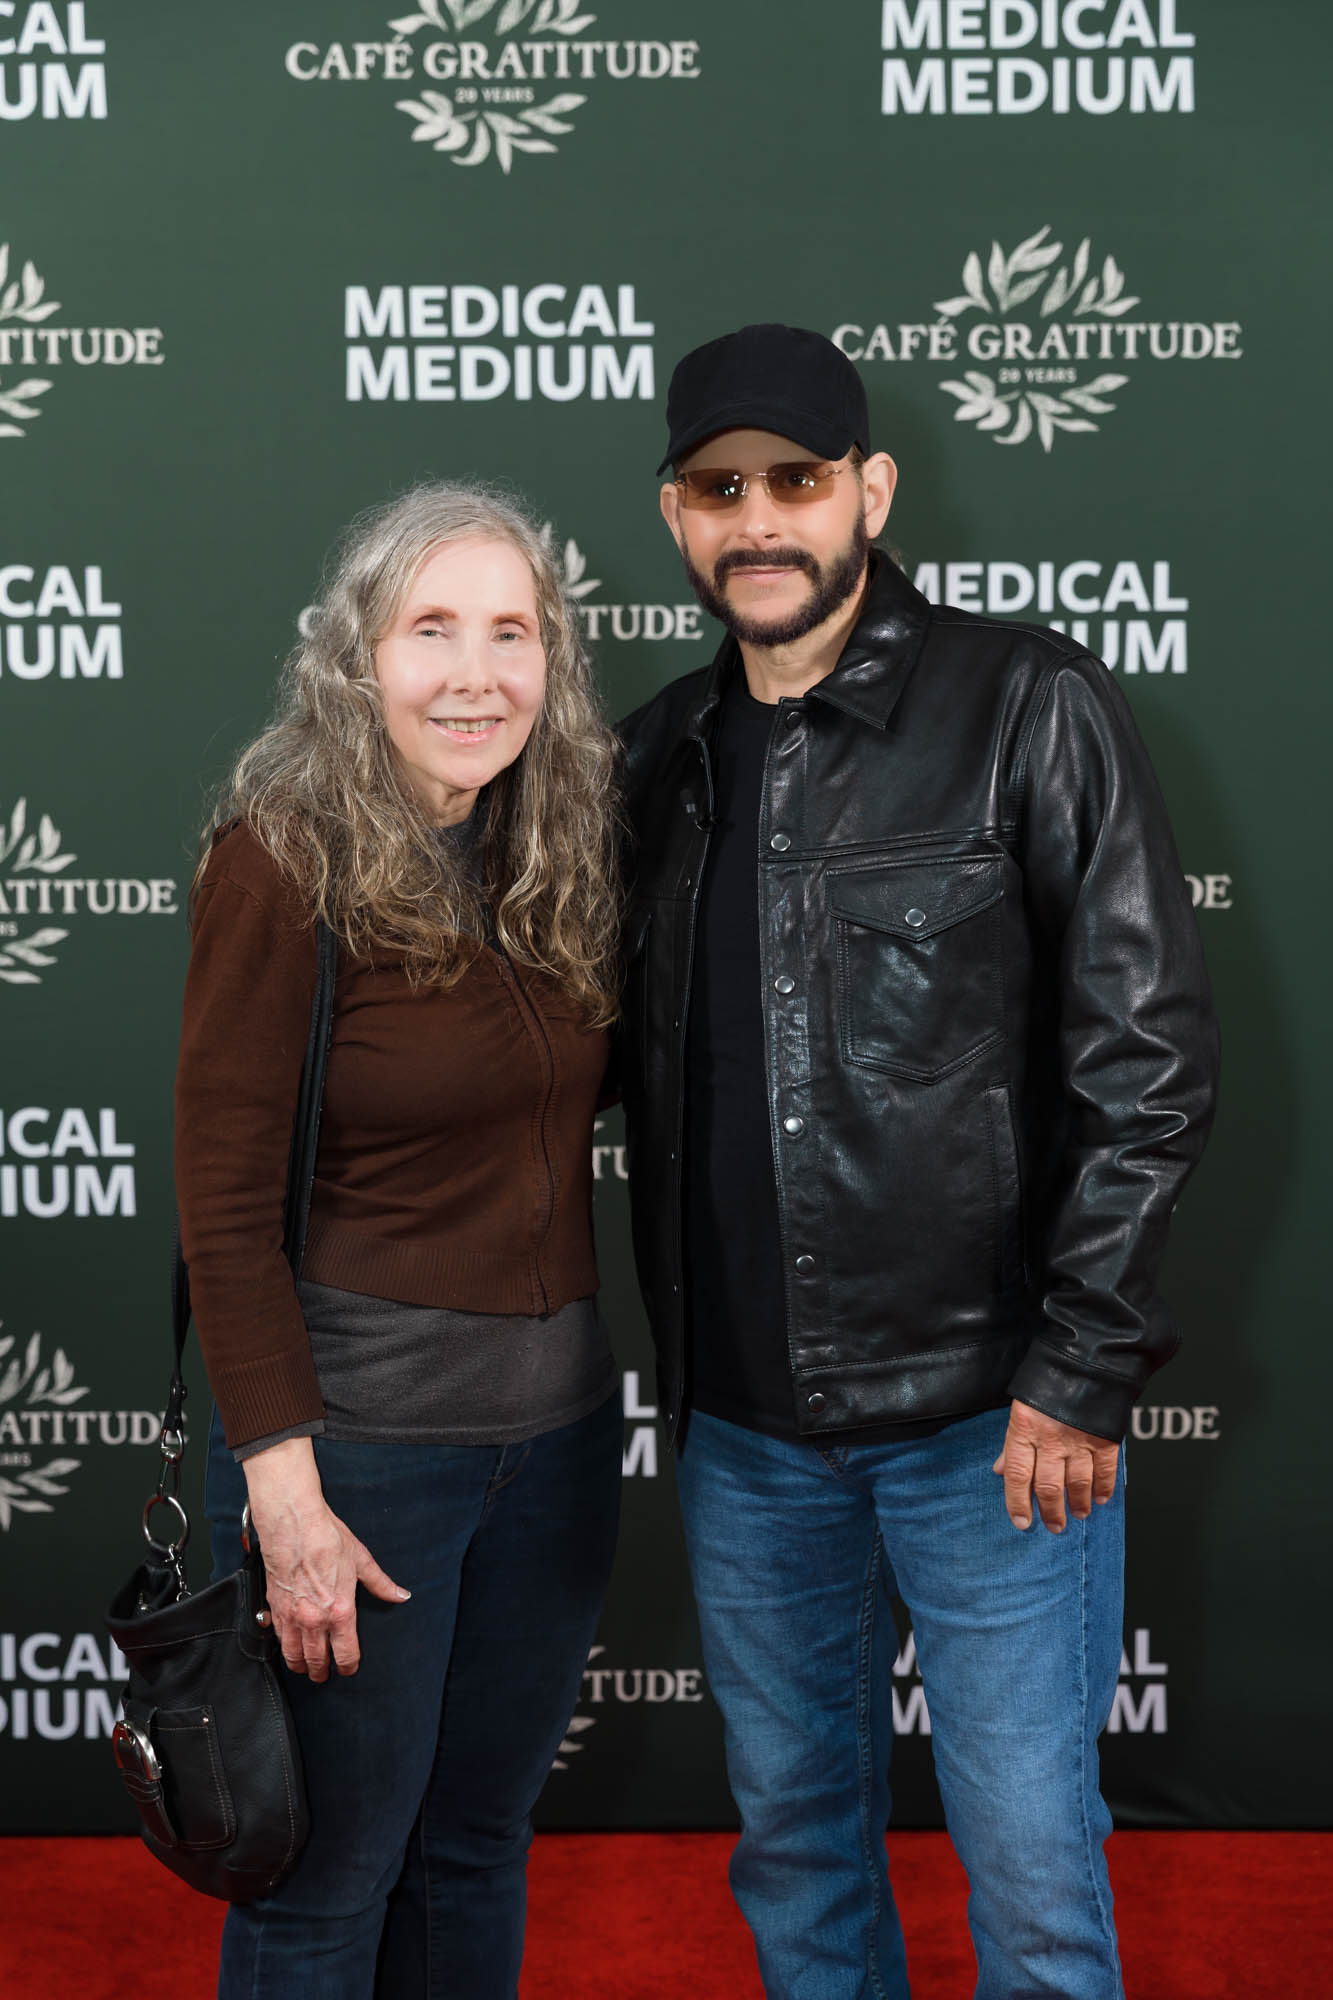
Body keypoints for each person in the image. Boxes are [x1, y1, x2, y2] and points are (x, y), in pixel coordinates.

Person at [615, 324, 1219, 2000]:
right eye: (717, 488)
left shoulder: (1025, 704)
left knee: (1031, 1871)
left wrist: (1080, 1369)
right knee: (798, 1853)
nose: (757, 520)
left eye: (795, 480)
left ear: (869, 492)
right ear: (675, 515)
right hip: (744, 1440)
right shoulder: (654, 759)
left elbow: (1147, 1061)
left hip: (990, 1429)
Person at [175, 483, 624, 2000]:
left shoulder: (552, 845)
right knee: (328, 1885)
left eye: (512, 632)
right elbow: (222, 1205)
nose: (474, 674)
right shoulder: (282, 858)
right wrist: (287, 1497)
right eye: (432, 629)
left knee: (474, 1848)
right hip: (364, 1467)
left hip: (557, 1451)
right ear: (356, 655)